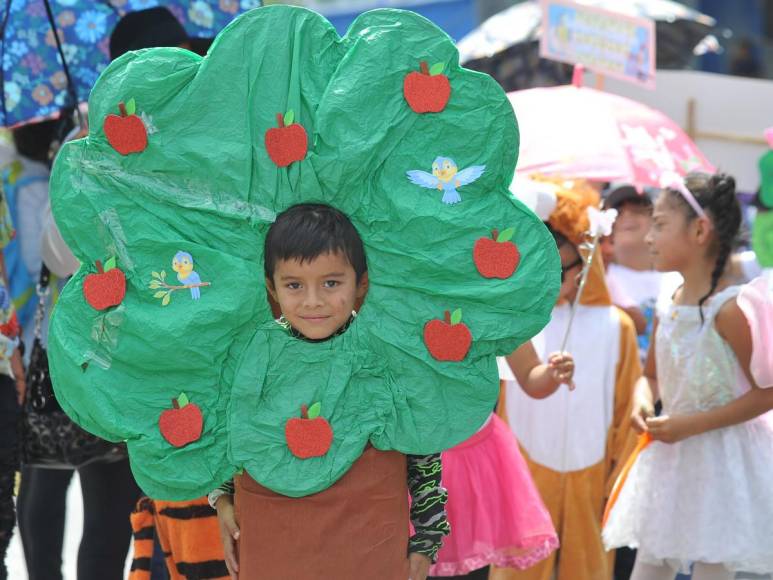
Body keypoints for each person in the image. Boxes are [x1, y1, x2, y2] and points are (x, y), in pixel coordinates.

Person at [212, 204, 450, 580]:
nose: (313, 301)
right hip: (272, 546)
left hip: (370, 551)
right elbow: (230, 435)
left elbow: (422, 450)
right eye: (294, 285)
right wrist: (222, 500)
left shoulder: (389, 356)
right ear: (271, 287)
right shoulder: (252, 357)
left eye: (331, 283)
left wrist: (427, 539)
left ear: (362, 285)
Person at [603, 173, 773, 579]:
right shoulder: (668, 300)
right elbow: (653, 376)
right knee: (650, 563)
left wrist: (690, 425)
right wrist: (644, 400)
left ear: (699, 230)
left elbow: (766, 393)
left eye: (659, 224)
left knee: (712, 566)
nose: (648, 237)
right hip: (672, 456)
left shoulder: (730, 310)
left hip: (722, 463)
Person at [492, 177, 642, 580]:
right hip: (524, 467)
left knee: (589, 565)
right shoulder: (516, 322)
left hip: (591, 470)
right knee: (517, 563)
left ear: (584, 262)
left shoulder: (616, 326)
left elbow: (626, 407)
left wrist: (618, 475)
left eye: (558, 270)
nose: (548, 281)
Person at [427, 341, 573, 580]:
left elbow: (530, 375)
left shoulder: (496, 307)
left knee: (469, 571)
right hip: (403, 463)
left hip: (474, 468)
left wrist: (551, 374)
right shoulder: (399, 304)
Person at [603, 184, 681, 358]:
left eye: (637, 210)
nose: (627, 216)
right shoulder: (597, 279)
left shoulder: (678, 279)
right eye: (618, 212)